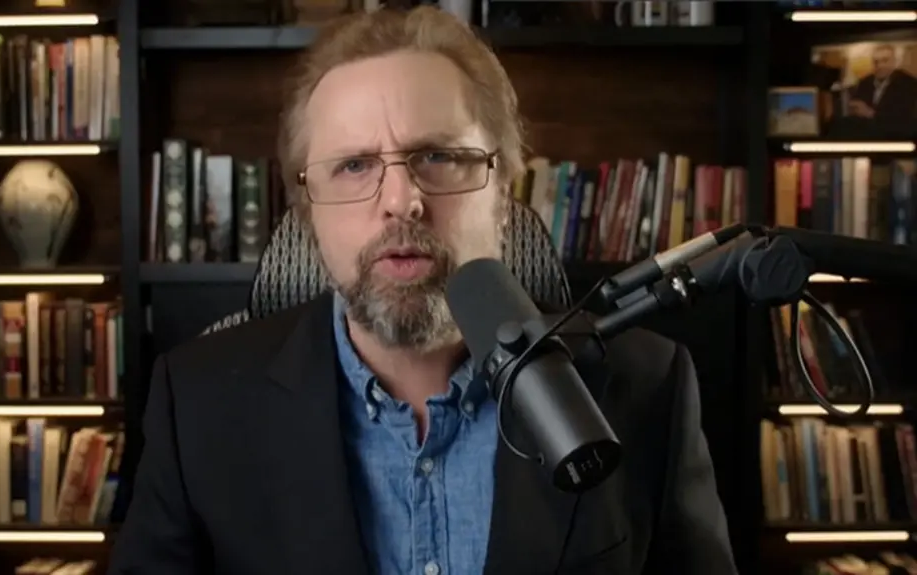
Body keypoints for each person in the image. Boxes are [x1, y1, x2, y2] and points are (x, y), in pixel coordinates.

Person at [108, 6, 738, 575]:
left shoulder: (647, 387)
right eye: (354, 165)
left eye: (438, 156)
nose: (401, 201)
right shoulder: (195, 406)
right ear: (307, 212)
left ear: (504, 190)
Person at [848, 43, 917, 126]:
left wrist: (870, 114)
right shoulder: (865, 82)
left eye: (885, 60)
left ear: (896, 62)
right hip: (865, 132)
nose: (880, 65)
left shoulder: (908, 83)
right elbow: (856, 105)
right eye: (876, 62)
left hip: (895, 134)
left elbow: (903, 118)